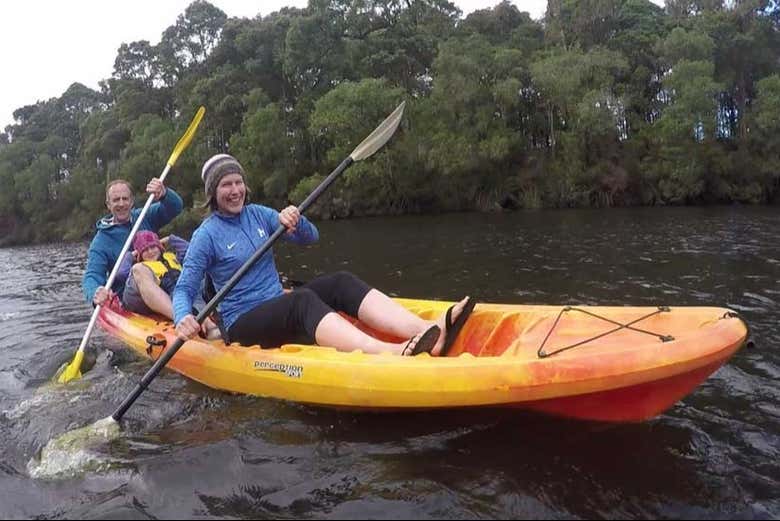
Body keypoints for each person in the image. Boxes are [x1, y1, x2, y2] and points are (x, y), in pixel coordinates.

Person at [172, 154, 474, 356]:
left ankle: (427, 331)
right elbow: (185, 287)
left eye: (238, 182)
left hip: (276, 304)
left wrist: (296, 221)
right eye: (226, 185)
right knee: (300, 300)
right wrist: (183, 316)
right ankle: (389, 352)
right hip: (243, 324)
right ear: (213, 193)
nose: (235, 190)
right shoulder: (206, 235)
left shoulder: (259, 215)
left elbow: (310, 238)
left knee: (339, 282)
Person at [82, 178, 183, 307]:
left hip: (163, 281)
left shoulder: (144, 216)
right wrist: (95, 292)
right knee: (139, 270)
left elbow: (175, 207)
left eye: (125, 198)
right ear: (108, 204)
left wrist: (164, 194)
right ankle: (180, 315)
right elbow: (93, 275)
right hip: (131, 297)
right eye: (116, 200)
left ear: (132, 201)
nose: (121, 204)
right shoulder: (100, 241)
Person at [116, 230, 220, 339]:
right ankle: (201, 325)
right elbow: (121, 274)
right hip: (167, 296)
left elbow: (190, 250)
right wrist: (130, 255)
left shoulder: (171, 257)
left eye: (153, 247)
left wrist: (171, 239)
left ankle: (211, 326)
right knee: (190, 304)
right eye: (145, 250)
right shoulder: (141, 267)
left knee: (197, 295)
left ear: (160, 247)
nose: (150, 251)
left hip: (186, 291)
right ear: (139, 254)